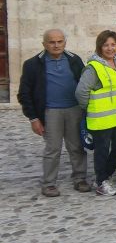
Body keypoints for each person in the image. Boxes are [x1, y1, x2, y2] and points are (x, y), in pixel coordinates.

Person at [18, 29, 89, 197]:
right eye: (52, 42)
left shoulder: (74, 60)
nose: (56, 45)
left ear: (65, 42)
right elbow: (24, 94)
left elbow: (85, 84)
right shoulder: (32, 64)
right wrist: (33, 118)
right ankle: (49, 183)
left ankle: (80, 178)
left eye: (59, 41)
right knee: (53, 149)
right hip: (50, 112)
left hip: (74, 110)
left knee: (77, 147)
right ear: (44, 44)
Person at [75, 30, 116, 196]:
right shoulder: (94, 67)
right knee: (102, 151)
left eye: (113, 45)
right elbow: (81, 92)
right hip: (101, 118)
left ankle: (105, 176)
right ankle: (101, 182)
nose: (110, 48)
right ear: (99, 47)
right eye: (106, 45)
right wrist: (90, 108)